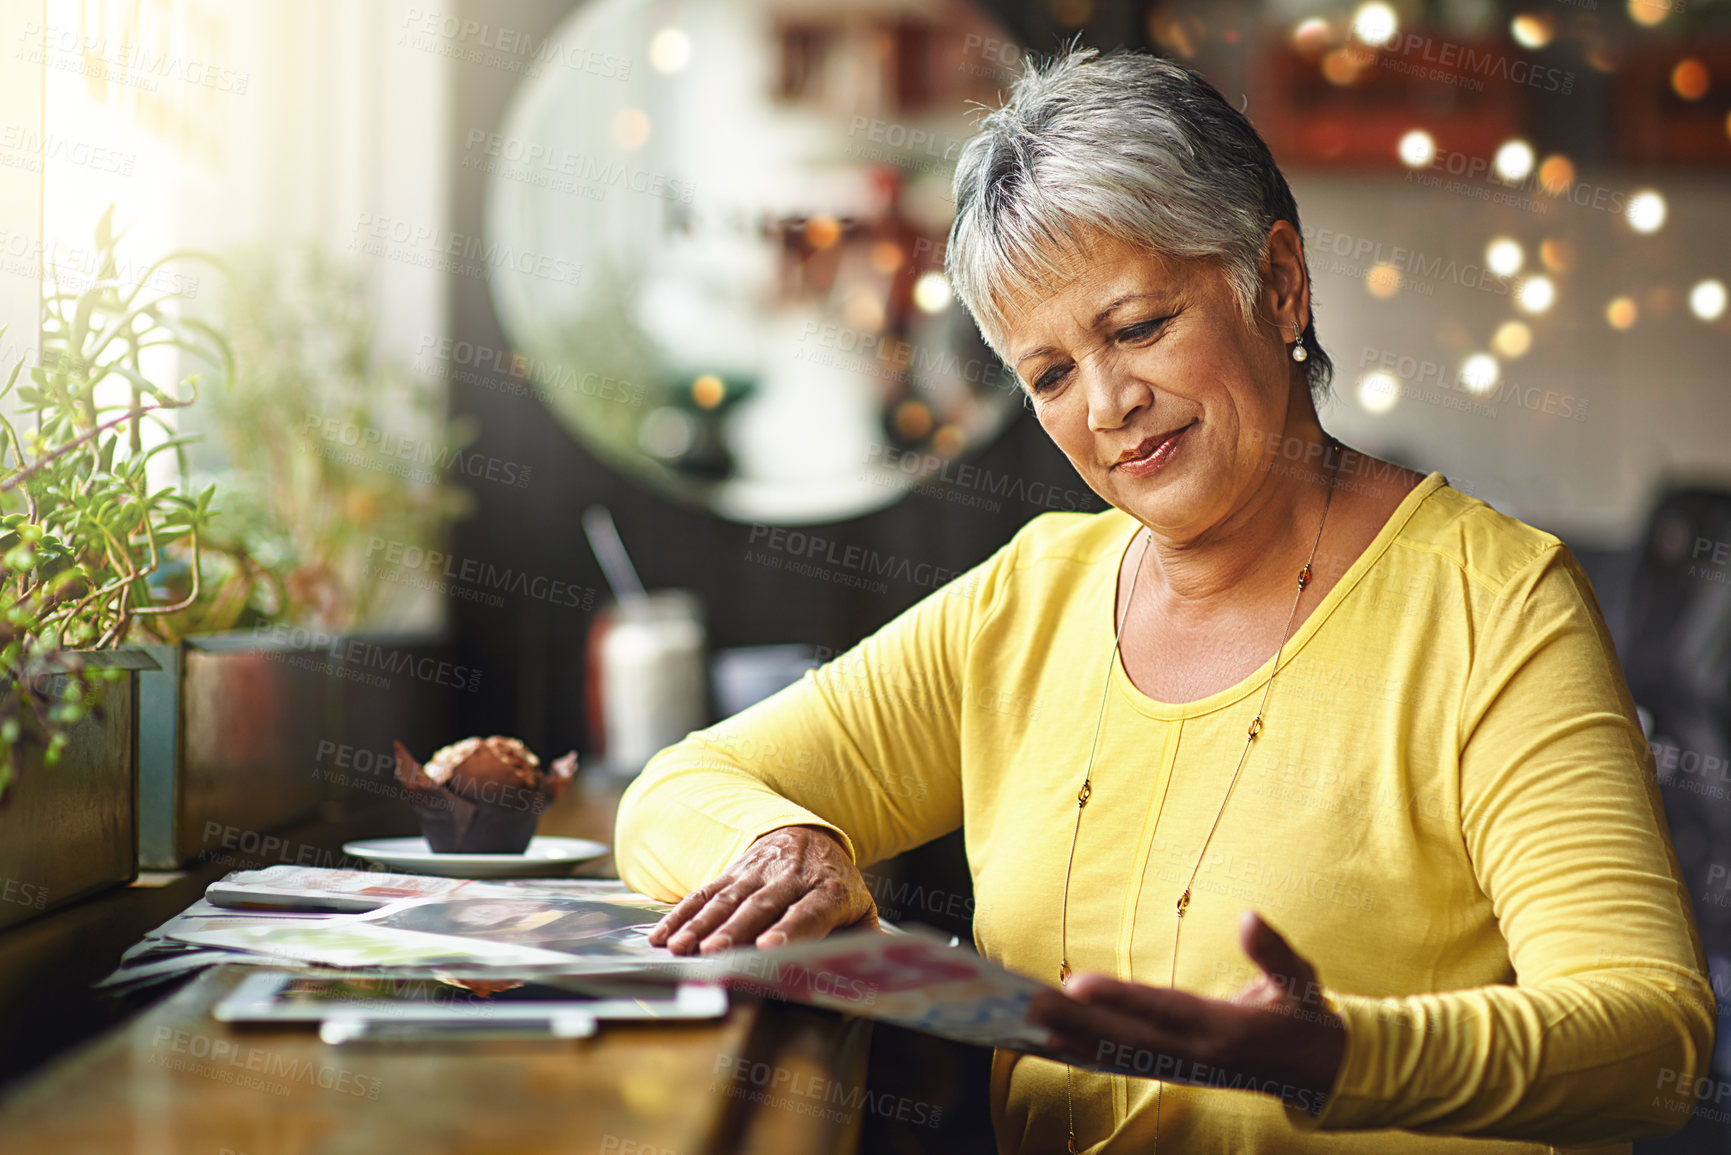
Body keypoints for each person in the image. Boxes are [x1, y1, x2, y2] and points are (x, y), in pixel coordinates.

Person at [614, 48, 1711, 1153]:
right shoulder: (1028, 602)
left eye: (1138, 327)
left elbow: (1651, 1046)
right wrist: (785, 840)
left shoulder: (1496, 607)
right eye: (1049, 375)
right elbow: (677, 788)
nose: (1109, 405)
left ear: (1278, 282)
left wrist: (1336, 1058)